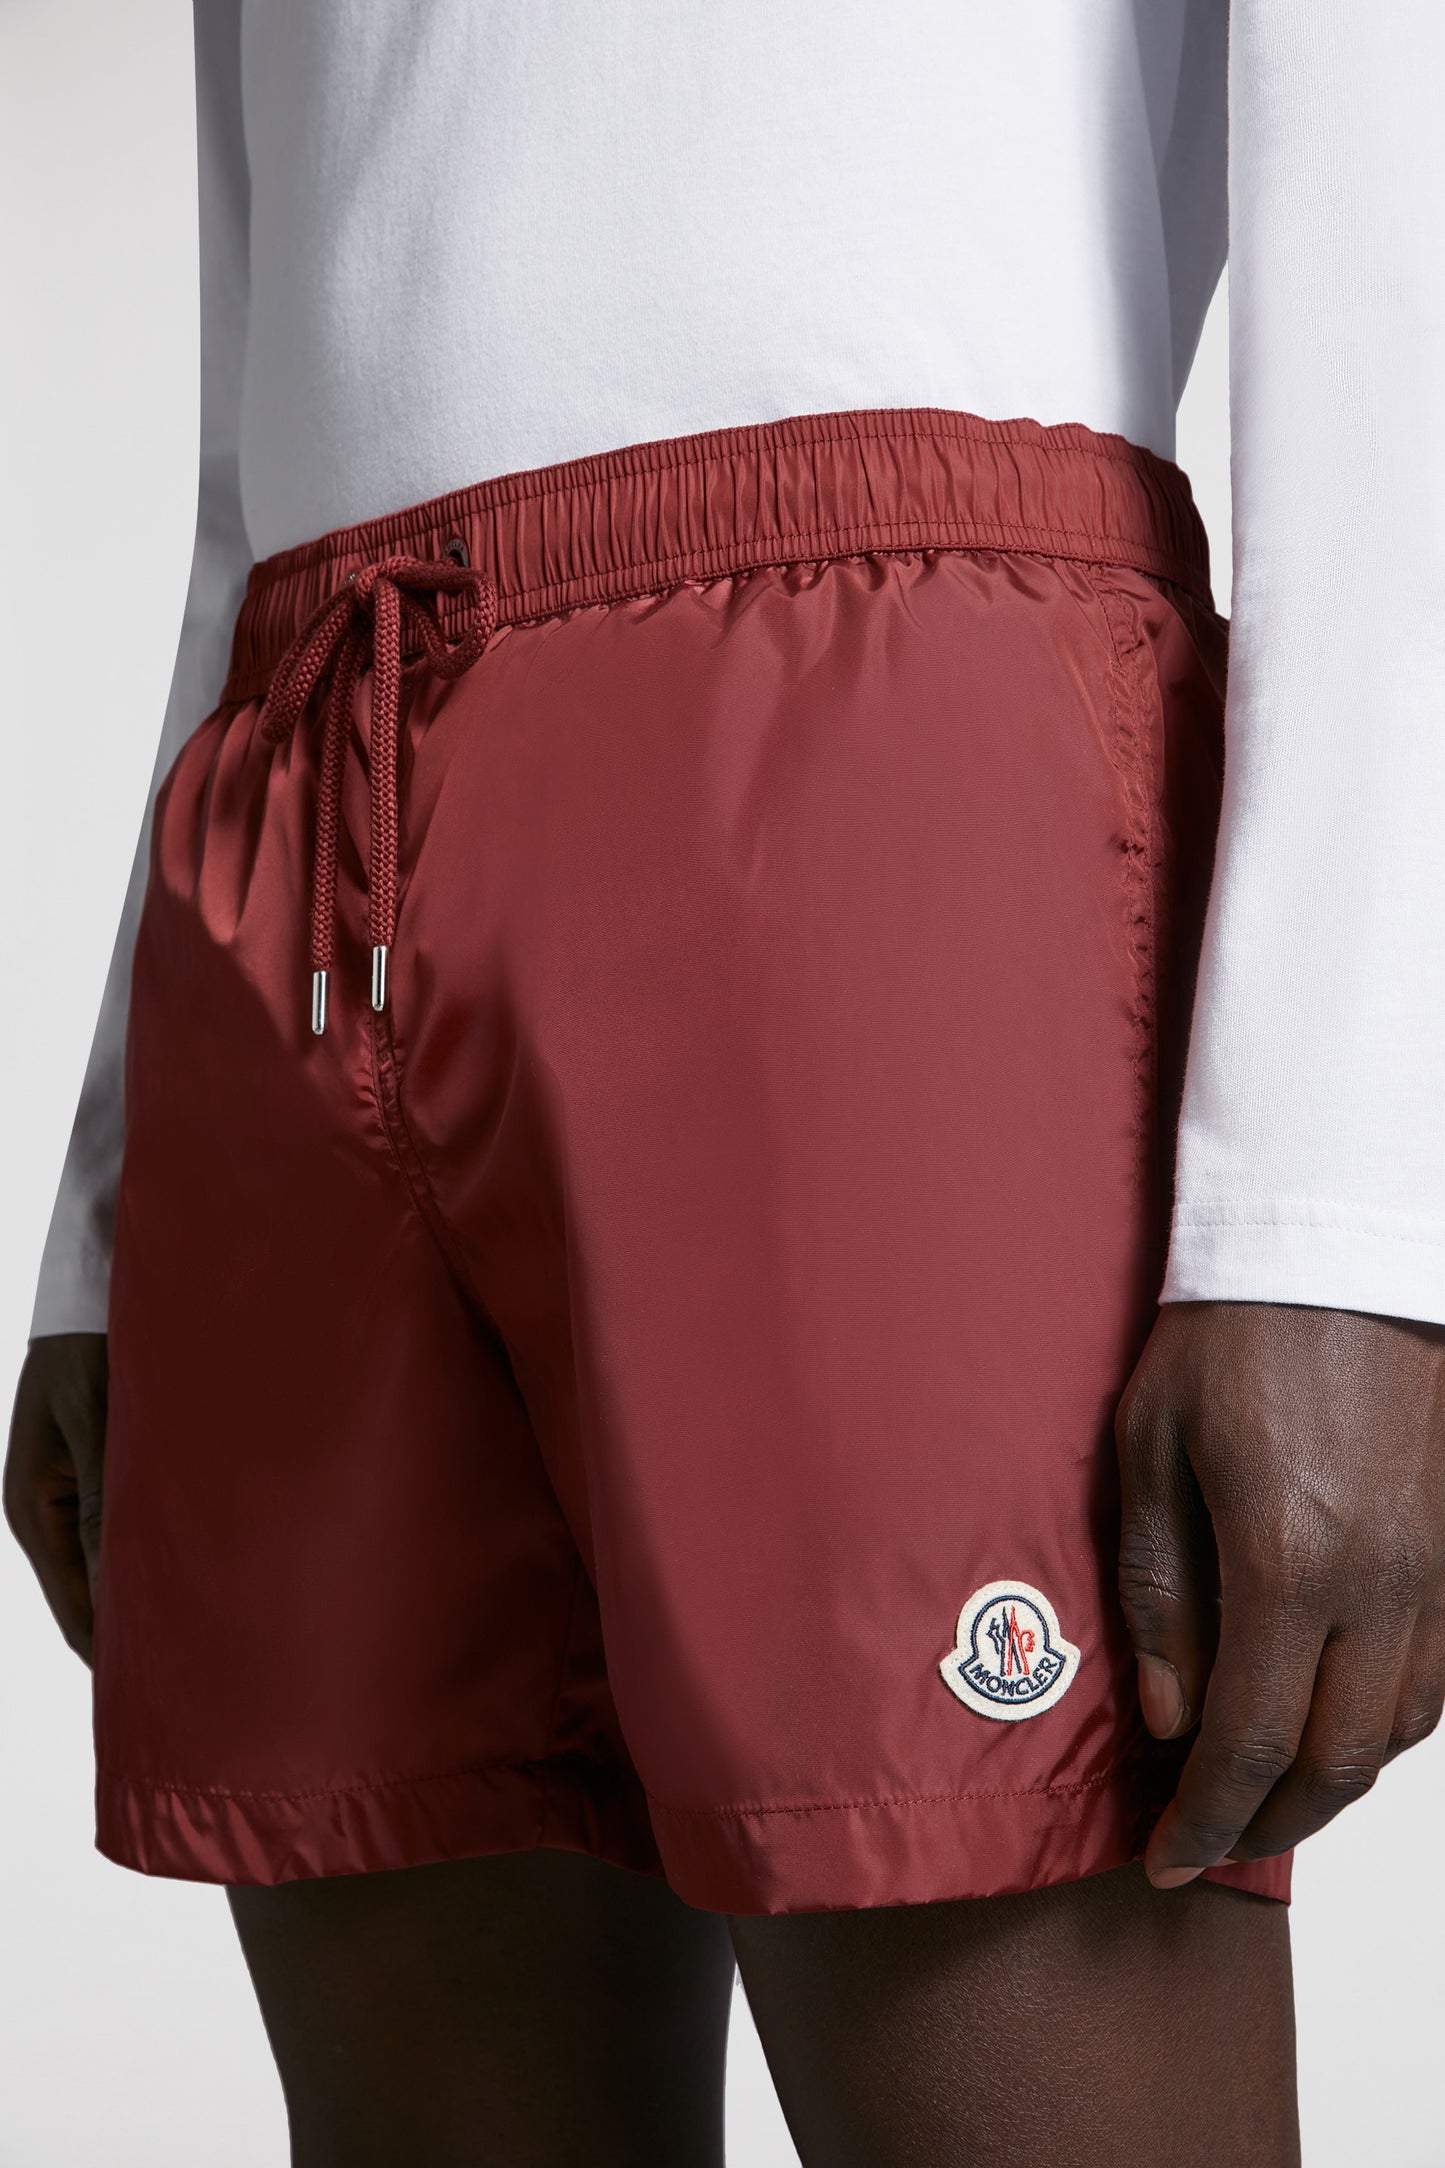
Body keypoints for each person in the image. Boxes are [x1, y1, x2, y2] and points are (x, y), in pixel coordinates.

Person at [7, 5, 1445, 2162]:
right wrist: (108, 1207)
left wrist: (1345, 1207)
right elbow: (255, 373)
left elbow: (1405, 223)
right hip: (305, 764)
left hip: (875, 714)